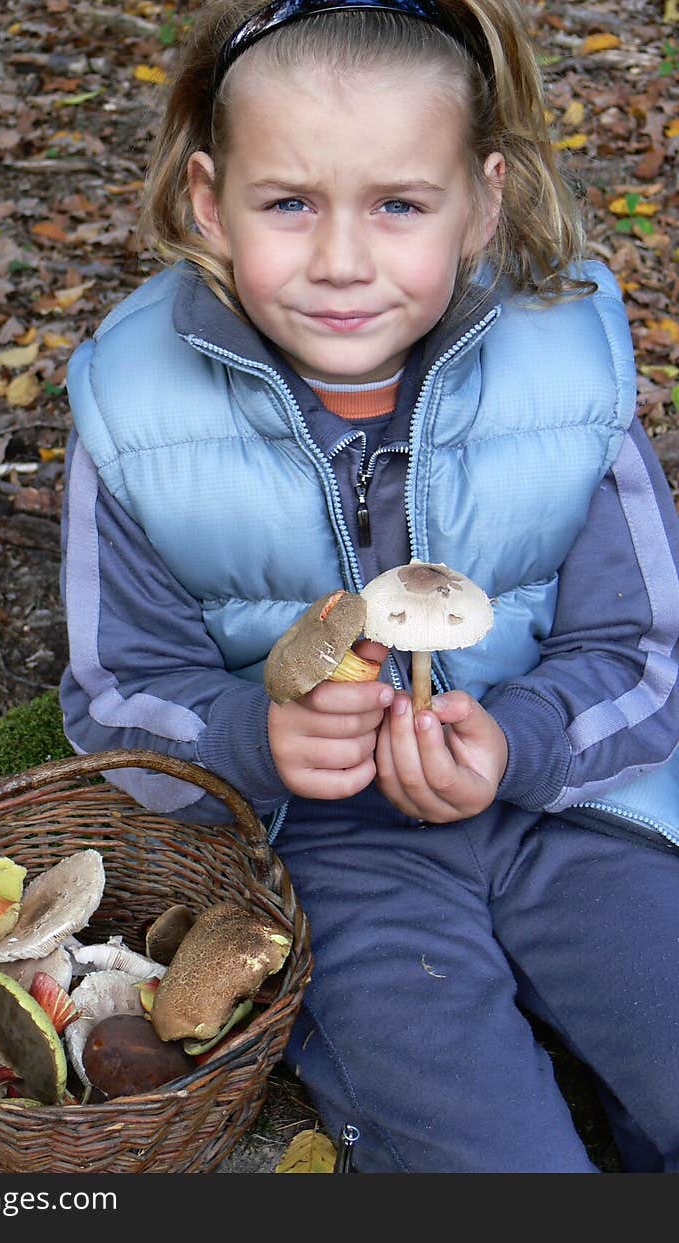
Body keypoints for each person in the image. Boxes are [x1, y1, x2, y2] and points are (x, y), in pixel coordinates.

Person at [60, 0, 679, 1172]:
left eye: (399, 204)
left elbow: (645, 652)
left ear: (483, 201)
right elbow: (117, 692)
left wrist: (517, 741)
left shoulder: (568, 374)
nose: (342, 260)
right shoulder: (135, 418)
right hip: (339, 861)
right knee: (487, 1153)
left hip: (573, 814)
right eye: (288, 204)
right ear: (209, 200)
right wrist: (258, 734)